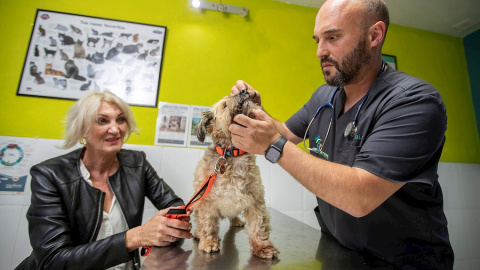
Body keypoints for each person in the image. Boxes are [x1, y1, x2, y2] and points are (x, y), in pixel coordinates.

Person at [228, 0, 453, 268]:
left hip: (403, 262)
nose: (320, 52)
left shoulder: (414, 101)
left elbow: (360, 197)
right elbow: (286, 133)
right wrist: (258, 112)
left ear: (374, 35)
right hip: (340, 252)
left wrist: (273, 146)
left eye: (332, 37)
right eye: (318, 40)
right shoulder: (324, 96)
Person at [16, 90, 193, 270]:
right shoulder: (49, 175)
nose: (116, 129)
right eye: (103, 120)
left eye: (121, 120)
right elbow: (53, 261)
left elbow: (174, 204)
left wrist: (168, 226)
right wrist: (135, 237)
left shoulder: (137, 163)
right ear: (82, 128)